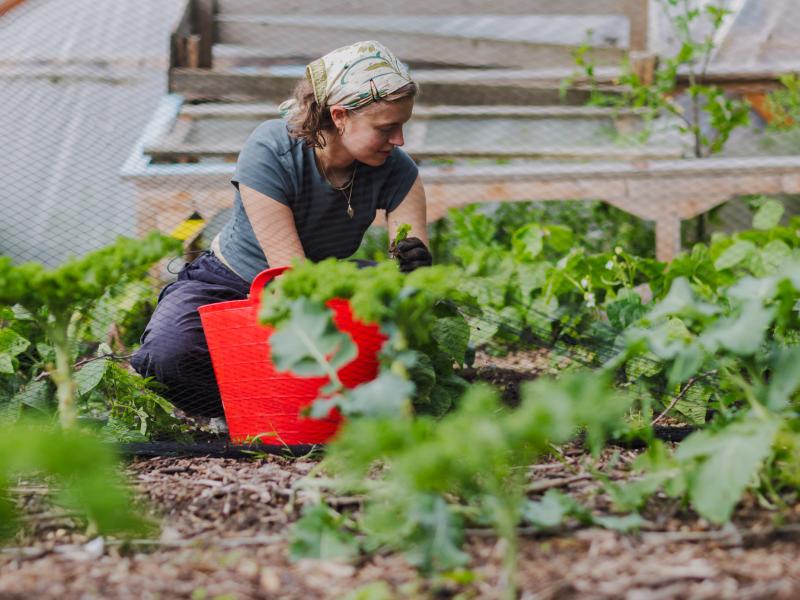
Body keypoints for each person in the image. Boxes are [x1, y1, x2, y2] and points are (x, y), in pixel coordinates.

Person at [131, 41, 433, 417]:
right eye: (386, 128)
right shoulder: (273, 148)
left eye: (402, 126)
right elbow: (289, 275)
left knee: (415, 314)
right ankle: (244, 413)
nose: (399, 140)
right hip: (232, 282)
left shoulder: (397, 168)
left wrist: (414, 264)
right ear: (340, 115)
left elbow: (413, 268)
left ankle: (316, 409)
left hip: (323, 279)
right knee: (168, 354)